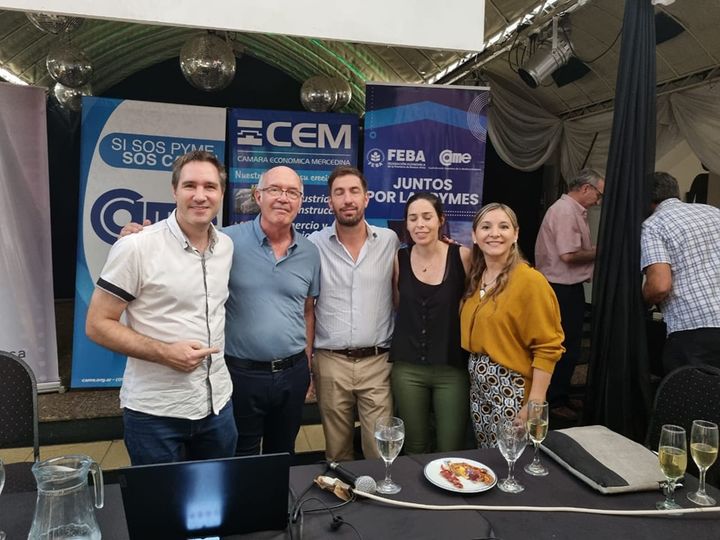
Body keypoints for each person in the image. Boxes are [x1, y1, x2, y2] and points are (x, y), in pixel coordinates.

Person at [85, 150, 237, 465]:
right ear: (174, 190)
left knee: (217, 494)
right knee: (160, 497)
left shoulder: (225, 246)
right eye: (190, 185)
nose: (200, 196)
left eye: (210, 186)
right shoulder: (137, 246)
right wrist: (165, 353)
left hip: (217, 406)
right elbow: (98, 324)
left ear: (222, 193)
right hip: (155, 414)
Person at [223, 166, 321, 456]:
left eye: (292, 192)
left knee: (283, 453)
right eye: (275, 189)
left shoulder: (310, 252)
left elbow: (308, 310)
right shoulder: (226, 241)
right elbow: (183, 245)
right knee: (242, 455)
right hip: (241, 374)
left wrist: (307, 367)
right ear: (258, 196)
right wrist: (139, 234)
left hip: (293, 373)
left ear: (300, 201)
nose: (283, 198)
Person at [308, 166, 399, 462]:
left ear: (366, 198)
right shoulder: (313, 245)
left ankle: (379, 493)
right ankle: (342, 493)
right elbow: (307, 308)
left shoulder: (389, 241)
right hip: (330, 363)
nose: (347, 199)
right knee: (337, 453)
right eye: (339, 193)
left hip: (377, 363)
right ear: (329, 202)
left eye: (354, 191)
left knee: (380, 452)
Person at [461, 202, 564, 448]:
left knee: (511, 459)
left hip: (512, 389)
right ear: (474, 236)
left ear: (515, 234)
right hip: (480, 388)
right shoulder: (478, 277)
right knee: (487, 457)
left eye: (503, 227)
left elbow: (548, 347)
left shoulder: (530, 281)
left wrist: (534, 403)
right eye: (486, 227)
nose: (494, 233)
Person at [390, 192, 472, 454]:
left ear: (441, 220)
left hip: (451, 369)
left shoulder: (463, 256)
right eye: (413, 218)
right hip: (407, 370)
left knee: (450, 447)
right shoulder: (399, 259)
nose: (420, 224)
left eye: (427, 217)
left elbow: (473, 305)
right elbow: (398, 305)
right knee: (414, 446)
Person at [534, 168, 604, 421]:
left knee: (568, 345)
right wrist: (602, 249)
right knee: (564, 346)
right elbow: (569, 255)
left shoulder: (571, 210)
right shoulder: (565, 211)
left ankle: (559, 396)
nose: (598, 201)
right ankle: (554, 400)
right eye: (598, 194)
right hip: (560, 288)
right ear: (585, 188)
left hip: (563, 287)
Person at [641, 171, 720, 374]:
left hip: (694, 329)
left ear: (645, 199)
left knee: (691, 393)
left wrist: (642, 301)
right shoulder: (714, 212)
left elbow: (659, 286)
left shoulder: (654, 225)